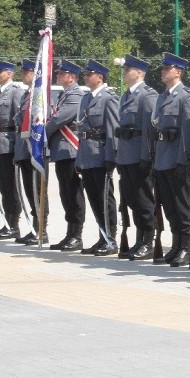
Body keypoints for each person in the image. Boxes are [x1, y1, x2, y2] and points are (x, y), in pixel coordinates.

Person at [151, 53, 190, 267]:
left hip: (177, 157)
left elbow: (187, 131)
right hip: (162, 156)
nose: (163, 71)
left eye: (167, 68)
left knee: (182, 206)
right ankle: (177, 244)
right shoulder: (162, 97)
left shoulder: (186, 96)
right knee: (169, 206)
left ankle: (187, 247)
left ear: (178, 72)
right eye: (163, 68)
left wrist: (184, 159)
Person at [114, 55, 159, 261]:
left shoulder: (147, 96)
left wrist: (146, 157)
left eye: (128, 70)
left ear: (139, 73)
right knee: (131, 200)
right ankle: (139, 239)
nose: (124, 73)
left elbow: (149, 130)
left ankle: (148, 240)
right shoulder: (125, 96)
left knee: (143, 200)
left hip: (139, 156)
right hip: (125, 156)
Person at [76, 60, 120, 256]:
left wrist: (111, 156)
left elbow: (112, 129)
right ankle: (102, 235)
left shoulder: (108, 99)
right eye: (85, 74)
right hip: (86, 153)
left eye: (89, 75)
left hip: (101, 153)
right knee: (93, 198)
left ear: (100, 77)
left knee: (104, 198)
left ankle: (110, 238)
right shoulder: (86, 98)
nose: (85, 77)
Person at [46, 60, 86, 251]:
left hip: (70, 150)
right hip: (61, 151)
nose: (58, 76)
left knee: (74, 193)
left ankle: (76, 234)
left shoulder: (76, 94)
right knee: (65, 193)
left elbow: (58, 119)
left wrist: (41, 134)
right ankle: (69, 232)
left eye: (62, 74)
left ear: (72, 77)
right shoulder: (64, 95)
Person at [0, 61, 24, 240]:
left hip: (9, 143)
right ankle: (8, 222)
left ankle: (14, 224)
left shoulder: (16, 92)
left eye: (0, 71)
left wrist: (18, 147)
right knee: (3, 186)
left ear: (9, 74)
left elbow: (18, 121)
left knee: (11, 186)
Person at [13, 59, 49, 245]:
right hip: (24, 149)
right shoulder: (26, 94)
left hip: (35, 148)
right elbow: (18, 119)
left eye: (27, 71)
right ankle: (35, 227)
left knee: (37, 190)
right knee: (29, 190)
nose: (23, 74)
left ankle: (41, 229)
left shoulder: (38, 94)